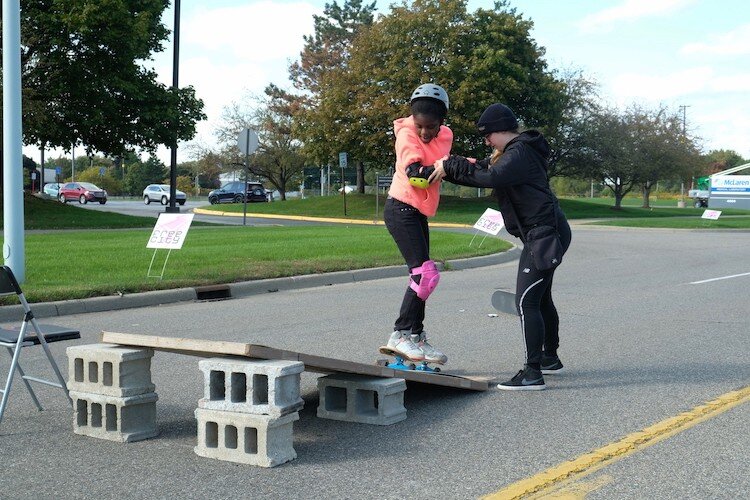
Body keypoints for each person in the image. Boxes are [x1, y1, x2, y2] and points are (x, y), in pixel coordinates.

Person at [431, 103, 572, 390]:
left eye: (487, 136)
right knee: (540, 298)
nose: (485, 142)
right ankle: (549, 358)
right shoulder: (513, 153)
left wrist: (452, 166)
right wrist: (452, 167)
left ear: (500, 131)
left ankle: (532, 373)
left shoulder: (519, 152)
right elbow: (483, 171)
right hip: (546, 232)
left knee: (526, 301)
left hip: (543, 235)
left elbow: (492, 177)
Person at [382, 83, 453, 364]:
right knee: (425, 275)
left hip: (417, 211)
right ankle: (400, 334)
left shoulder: (445, 135)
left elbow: (445, 162)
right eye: (420, 126)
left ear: (442, 123)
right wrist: (448, 167)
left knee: (424, 278)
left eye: (431, 127)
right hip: (401, 209)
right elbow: (416, 175)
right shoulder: (406, 135)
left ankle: (415, 336)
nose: (425, 133)